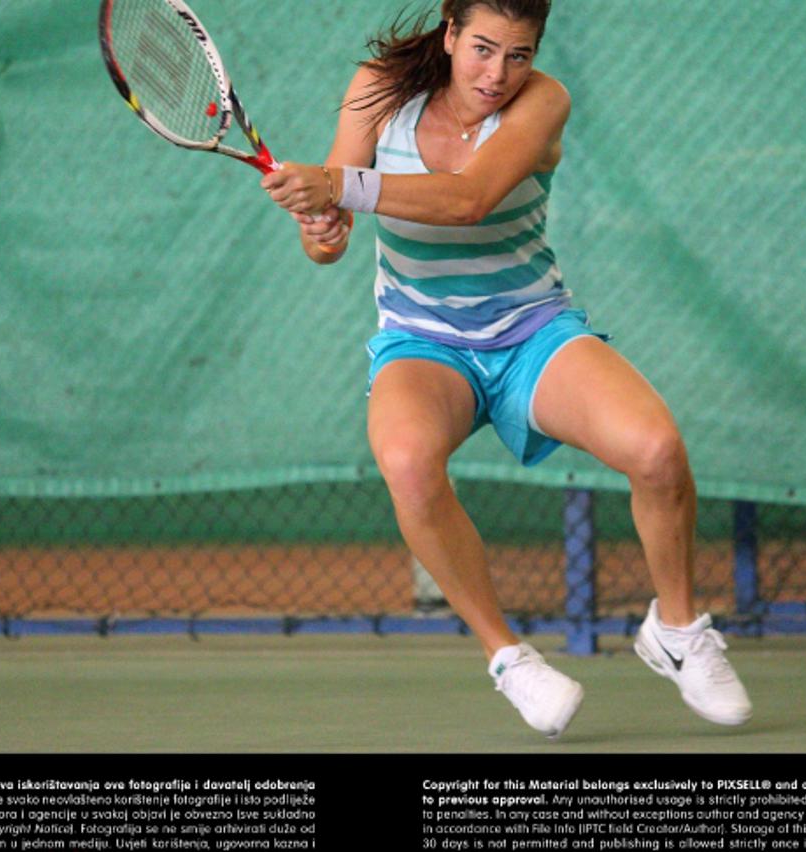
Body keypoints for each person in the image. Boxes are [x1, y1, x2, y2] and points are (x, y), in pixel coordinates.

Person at [261, 0, 751, 738]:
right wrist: (324, 228)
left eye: (518, 55)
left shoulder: (543, 101)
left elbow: (469, 199)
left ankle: (677, 631)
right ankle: (509, 657)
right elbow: (328, 240)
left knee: (656, 450)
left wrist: (338, 187)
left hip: (532, 331)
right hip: (423, 340)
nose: (498, 74)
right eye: (483, 49)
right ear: (450, 33)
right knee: (407, 464)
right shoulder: (377, 89)